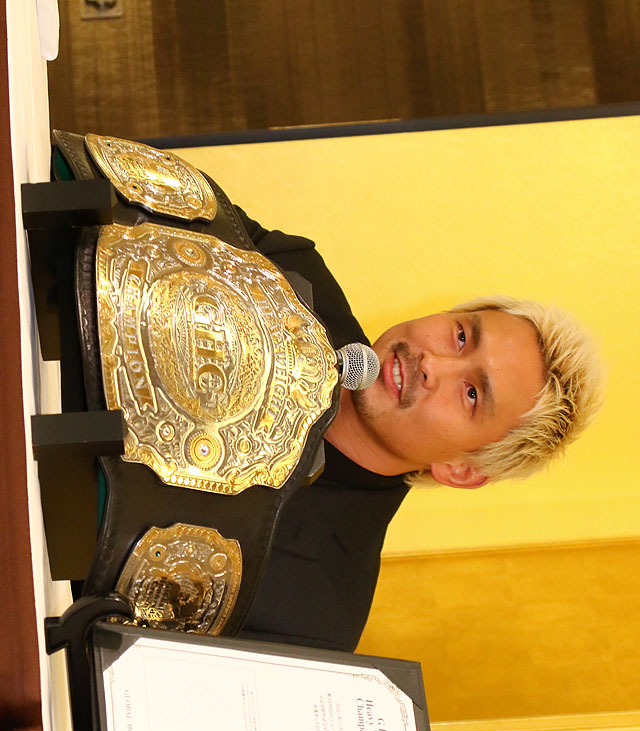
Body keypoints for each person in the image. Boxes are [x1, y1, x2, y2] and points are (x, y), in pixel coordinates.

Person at [236, 211, 604, 652]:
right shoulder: (290, 270)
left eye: (472, 394)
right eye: (461, 337)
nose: (432, 363)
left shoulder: (313, 615)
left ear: (461, 470)